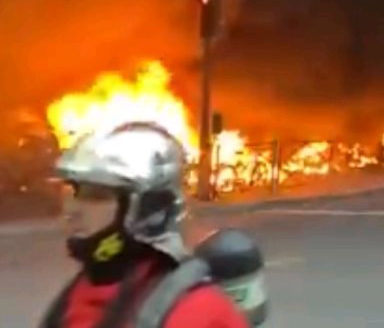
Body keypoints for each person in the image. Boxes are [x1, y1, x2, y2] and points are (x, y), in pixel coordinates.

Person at [37, 121, 250, 327]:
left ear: (148, 208)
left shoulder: (197, 314)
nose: (72, 211)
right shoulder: (80, 291)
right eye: (73, 192)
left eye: (96, 196)